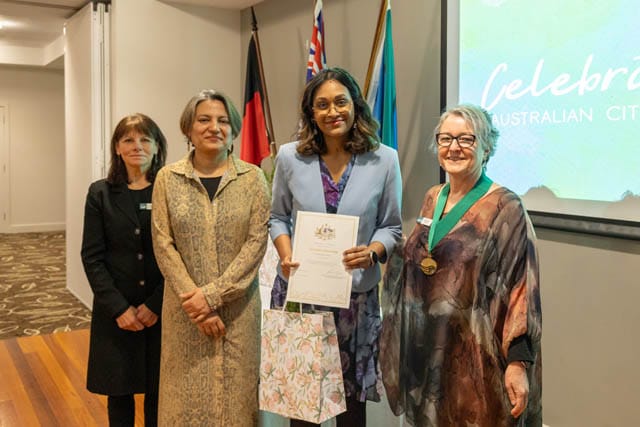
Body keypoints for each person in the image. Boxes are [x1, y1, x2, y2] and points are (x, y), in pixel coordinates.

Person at [380, 104, 542, 426]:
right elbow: (423, 259)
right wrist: (380, 250)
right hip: (429, 352)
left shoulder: (505, 207)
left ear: (486, 147)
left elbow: (522, 287)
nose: (454, 147)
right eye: (446, 138)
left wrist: (518, 363)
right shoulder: (432, 197)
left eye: (466, 139)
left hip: (478, 361)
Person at [270, 67, 403, 426]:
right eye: (322, 105)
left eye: (341, 102)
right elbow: (277, 217)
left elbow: (391, 227)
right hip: (302, 292)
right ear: (311, 112)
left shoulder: (384, 159)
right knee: (303, 403)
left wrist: (372, 252)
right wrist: (285, 254)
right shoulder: (289, 157)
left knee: (350, 408)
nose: (333, 112)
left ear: (355, 105)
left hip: (355, 300)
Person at [151, 89, 270, 426]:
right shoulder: (167, 179)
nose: (214, 127)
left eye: (223, 121)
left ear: (233, 130)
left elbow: (256, 244)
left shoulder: (253, 179)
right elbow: (163, 244)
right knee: (183, 400)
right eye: (204, 120)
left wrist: (212, 297)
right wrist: (197, 305)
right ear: (188, 128)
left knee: (237, 402)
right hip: (184, 312)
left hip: (238, 312)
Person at [81, 113, 167, 426]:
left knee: (159, 393)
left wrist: (156, 304)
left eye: (145, 139)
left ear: (157, 146)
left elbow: (182, 255)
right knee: (119, 393)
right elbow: (92, 257)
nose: (137, 146)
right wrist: (118, 308)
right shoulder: (100, 193)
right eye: (128, 140)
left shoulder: (170, 190)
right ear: (117, 148)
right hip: (116, 313)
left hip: (161, 310)